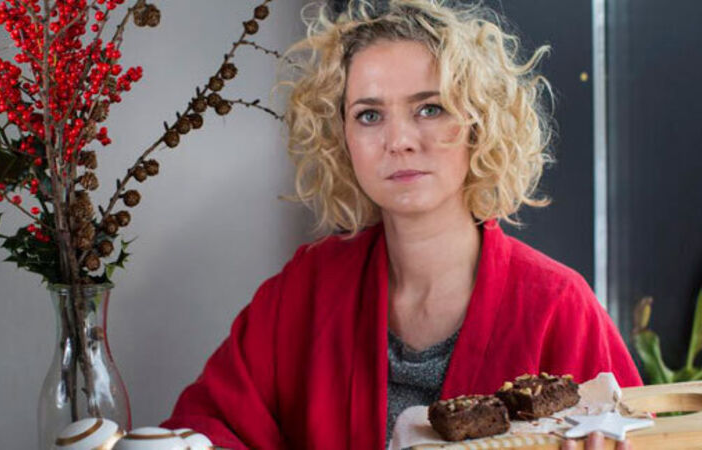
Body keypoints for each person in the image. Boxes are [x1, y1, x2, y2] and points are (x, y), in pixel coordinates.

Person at [162, 1, 642, 449]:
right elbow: (203, 429)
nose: (398, 140)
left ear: (478, 122)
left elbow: (647, 433)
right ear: (342, 136)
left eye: (429, 108)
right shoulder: (303, 290)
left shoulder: (558, 305)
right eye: (369, 115)